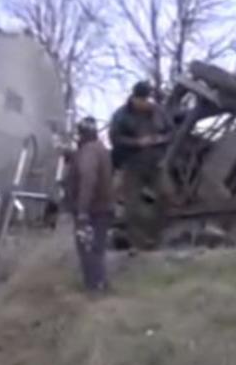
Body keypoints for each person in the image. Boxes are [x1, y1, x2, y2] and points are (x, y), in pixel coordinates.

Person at [108, 80, 171, 250]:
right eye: (142, 99)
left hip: (155, 163)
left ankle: (156, 237)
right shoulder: (121, 115)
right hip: (132, 164)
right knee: (132, 205)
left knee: (166, 195)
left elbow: (170, 132)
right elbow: (115, 138)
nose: (145, 102)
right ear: (134, 98)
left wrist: (160, 139)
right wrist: (136, 143)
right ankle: (138, 243)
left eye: (147, 99)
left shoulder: (159, 112)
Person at [64, 116, 115, 293]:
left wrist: (82, 211)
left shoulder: (89, 152)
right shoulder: (100, 149)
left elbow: (88, 179)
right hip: (103, 208)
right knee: (97, 249)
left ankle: (95, 287)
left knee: (87, 249)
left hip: (92, 210)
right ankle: (100, 284)